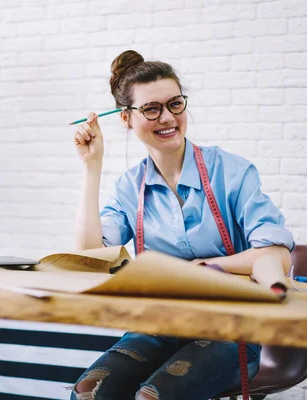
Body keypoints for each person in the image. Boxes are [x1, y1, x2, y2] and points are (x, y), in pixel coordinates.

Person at [71, 50, 294, 400]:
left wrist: (203, 267)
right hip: (158, 324)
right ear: (126, 119)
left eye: (175, 104)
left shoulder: (231, 172)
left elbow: (277, 255)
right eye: (151, 109)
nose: (167, 118)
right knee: (88, 393)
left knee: (152, 397)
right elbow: (90, 257)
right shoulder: (131, 187)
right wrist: (92, 166)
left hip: (230, 327)